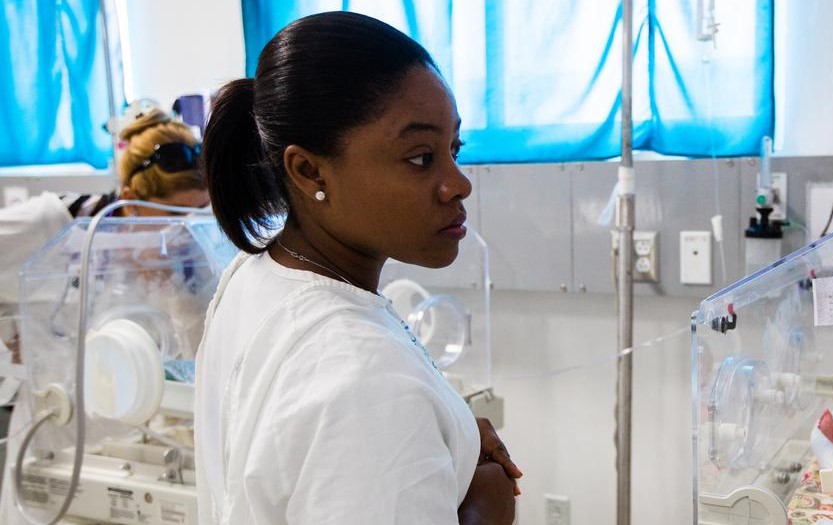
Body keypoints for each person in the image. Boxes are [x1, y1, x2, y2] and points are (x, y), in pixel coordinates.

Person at [194, 11, 519, 524]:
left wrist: (447, 436)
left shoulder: (255, 275)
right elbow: (363, 405)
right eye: (420, 158)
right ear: (309, 171)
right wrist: (489, 505)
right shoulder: (366, 377)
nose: (459, 184)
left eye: (453, 149)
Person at [0, 107, 209, 523]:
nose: (183, 231)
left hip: (141, 450)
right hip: (55, 441)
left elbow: (198, 356)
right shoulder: (53, 225)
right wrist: (11, 337)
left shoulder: (188, 259)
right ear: (130, 201)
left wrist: (176, 293)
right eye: (172, 215)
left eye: (198, 212)